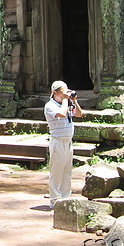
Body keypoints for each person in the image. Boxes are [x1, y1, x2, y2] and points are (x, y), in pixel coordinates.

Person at [44, 80, 82, 209]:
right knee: (56, 171)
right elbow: (62, 114)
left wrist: (74, 101)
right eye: (64, 91)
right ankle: (55, 200)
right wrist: (66, 100)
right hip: (57, 141)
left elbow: (79, 114)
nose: (67, 93)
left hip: (68, 141)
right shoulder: (50, 106)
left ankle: (65, 198)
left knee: (67, 171)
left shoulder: (67, 104)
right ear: (55, 92)